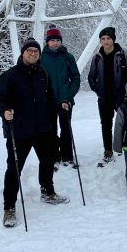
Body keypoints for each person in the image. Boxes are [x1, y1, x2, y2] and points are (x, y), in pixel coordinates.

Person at [0, 38, 70, 228]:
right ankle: (9, 207)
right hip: (19, 130)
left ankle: (47, 191)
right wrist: (4, 110)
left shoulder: (43, 74)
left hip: (42, 128)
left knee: (48, 160)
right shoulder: (10, 76)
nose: (33, 54)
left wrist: (60, 105)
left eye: (36, 51)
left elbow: (49, 97)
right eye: (30, 51)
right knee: (14, 168)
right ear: (23, 53)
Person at [88, 26, 127, 164]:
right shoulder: (97, 57)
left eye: (108, 38)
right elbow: (91, 77)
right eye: (103, 39)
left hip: (122, 96)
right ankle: (108, 151)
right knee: (106, 124)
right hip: (104, 97)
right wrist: (98, 90)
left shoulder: (123, 54)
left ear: (113, 39)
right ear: (100, 41)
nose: (106, 41)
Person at [40, 24, 80, 168]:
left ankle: (68, 156)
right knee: (51, 130)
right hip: (48, 101)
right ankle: (54, 157)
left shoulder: (68, 57)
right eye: (52, 40)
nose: (55, 42)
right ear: (48, 41)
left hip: (65, 99)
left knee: (66, 128)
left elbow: (75, 78)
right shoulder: (41, 57)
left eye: (57, 40)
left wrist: (68, 96)